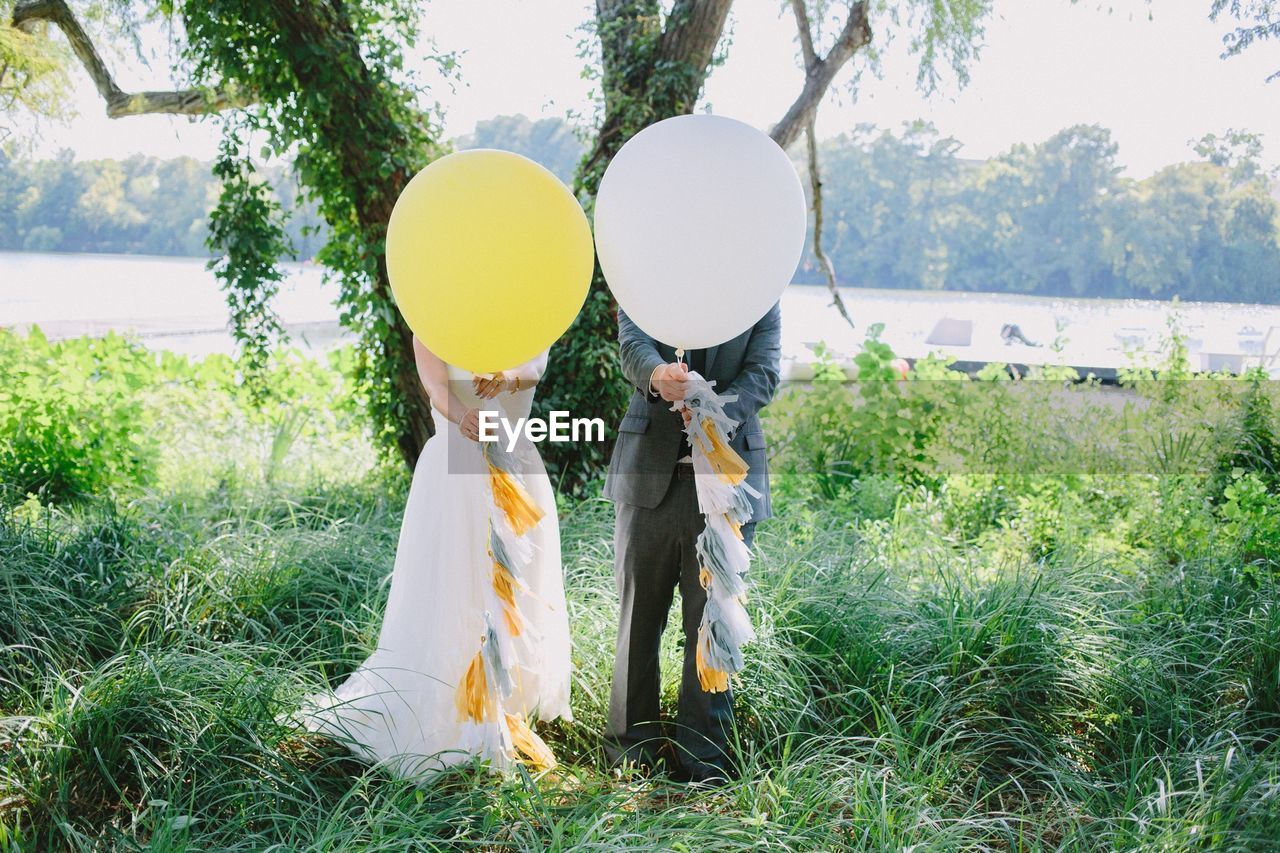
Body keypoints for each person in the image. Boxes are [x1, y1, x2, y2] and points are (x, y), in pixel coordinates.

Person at [300, 337, 572, 780]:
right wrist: (464, 416)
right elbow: (434, 382)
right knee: (454, 586)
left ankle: (506, 703)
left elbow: (535, 367)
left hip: (517, 462)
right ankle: (456, 703)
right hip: (454, 465)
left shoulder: (526, 306)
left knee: (519, 590)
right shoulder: (434, 304)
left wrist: (506, 378)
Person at [602, 303, 781, 785]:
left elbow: (764, 374)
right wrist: (660, 375)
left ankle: (702, 763)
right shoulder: (647, 276)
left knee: (711, 623)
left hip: (727, 484)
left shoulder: (757, 287)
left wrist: (708, 408)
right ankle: (629, 755)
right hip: (646, 480)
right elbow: (632, 347)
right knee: (638, 619)